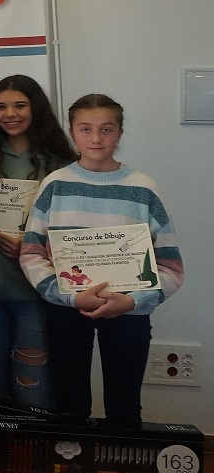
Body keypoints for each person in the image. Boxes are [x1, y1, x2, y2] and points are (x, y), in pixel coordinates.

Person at [20, 94, 184, 427]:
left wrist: (133, 301)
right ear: (72, 132)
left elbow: (170, 266)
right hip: (68, 309)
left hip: (128, 311)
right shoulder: (55, 185)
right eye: (85, 129)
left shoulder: (143, 188)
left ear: (120, 132)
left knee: (125, 408)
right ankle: (72, 460)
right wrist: (70, 296)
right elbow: (32, 253)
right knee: (69, 406)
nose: (96, 138)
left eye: (106, 129)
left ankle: (122, 459)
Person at [0, 74, 77, 409]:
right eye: (1, 107)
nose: (10, 114)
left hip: (35, 296)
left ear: (35, 108)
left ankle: (33, 443)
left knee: (32, 387)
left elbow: (74, 236)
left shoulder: (61, 167)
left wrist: (31, 248)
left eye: (20, 105)